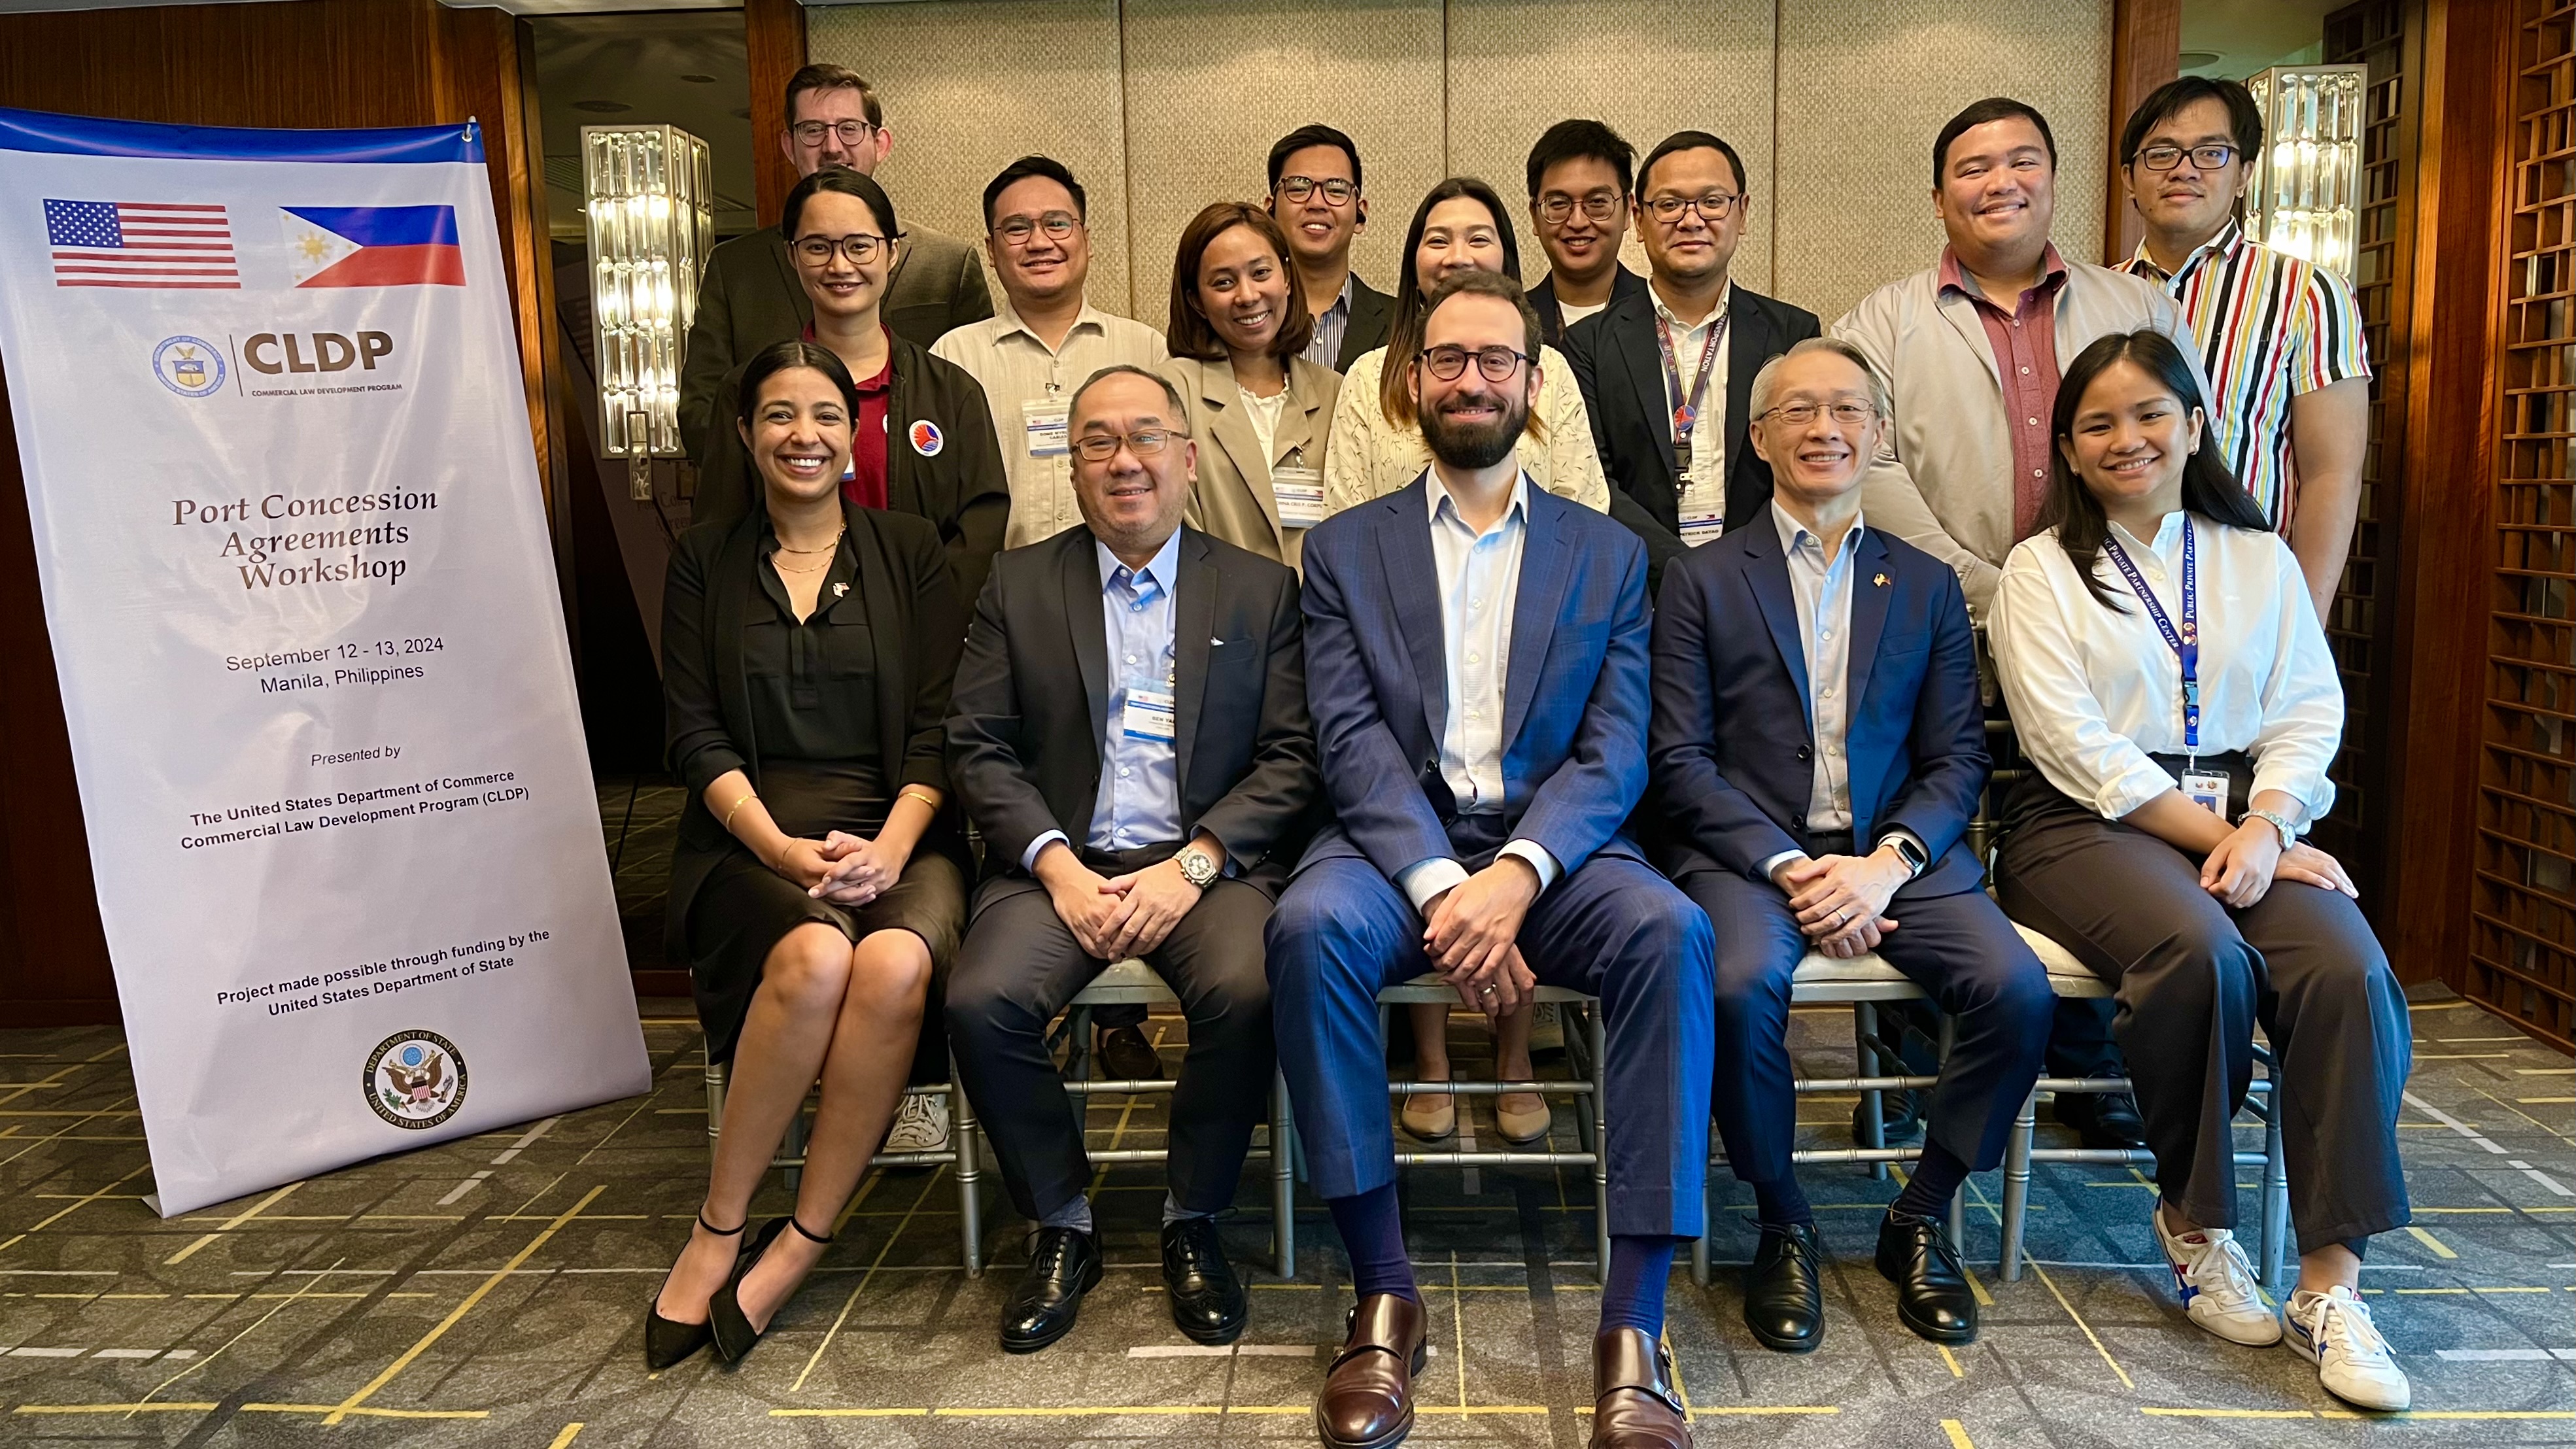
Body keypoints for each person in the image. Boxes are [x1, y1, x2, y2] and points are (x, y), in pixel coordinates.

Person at [1269, 269, 1714, 1449]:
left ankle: (1634, 1325)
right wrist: (1438, 884)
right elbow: (1349, 742)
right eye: (1448, 359)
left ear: (1530, 384)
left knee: (1672, 932)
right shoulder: (1343, 550)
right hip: (1391, 846)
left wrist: (1511, 877)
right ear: (1410, 384)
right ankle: (1383, 1295)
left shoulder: (1607, 554)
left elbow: (1617, 750)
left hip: (1555, 854)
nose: (1472, 379)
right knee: (1305, 930)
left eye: (1496, 361)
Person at [1991, 330, 2411, 1412]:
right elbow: (2068, 741)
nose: (2124, 438)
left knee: (2346, 972)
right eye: (2095, 424)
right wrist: (2214, 834)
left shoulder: (2254, 555)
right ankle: (2194, 1224)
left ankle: (2331, 1284)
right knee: (2199, 950)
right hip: (2082, 824)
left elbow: (2305, 708)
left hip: (2244, 819)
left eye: (2145, 415)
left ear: (2190, 427)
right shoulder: (2038, 570)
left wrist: (2268, 825)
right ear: (2067, 451)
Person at [1649, 337, 2050, 1352]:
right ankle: (1780, 1221)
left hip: (1898, 858)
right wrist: (1789, 865)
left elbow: (1957, 758)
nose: (1822, 429)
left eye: (1844, 411)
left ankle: (1917, 1213)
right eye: (1796, 412)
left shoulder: (1924, 586)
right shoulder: (1697, 581)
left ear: (1875, 434)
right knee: (1736, 989)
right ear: (1757, 436)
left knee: (2014, 989)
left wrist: (1885, 864)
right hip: (1750, 857)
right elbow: (1678, 759)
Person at [1836, 95, 2204, 1149]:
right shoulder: (1881, 321)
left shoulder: (2136, 310)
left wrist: (2091, 606)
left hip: (2122, 637)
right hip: (1944, 621)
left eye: (2020, 162)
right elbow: (1871, 472)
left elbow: (2176, 454)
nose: (1997, 182)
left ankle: (2093, 1055)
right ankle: (1927, 1053)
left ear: (2053, 175)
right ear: (1937, 191)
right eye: (1970, 168)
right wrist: (2005, 595)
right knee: (1935, 810)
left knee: (2097, 814)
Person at [944, 365, 1320, 1355]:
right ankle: (1061, 1221)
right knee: (981, 1004)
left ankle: (1191, 1218)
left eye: (1145, 437)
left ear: (1187, 461)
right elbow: (977, 746)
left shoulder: (1259, 590)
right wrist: (1057, 866)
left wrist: (1194, 864)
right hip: (1057, 860)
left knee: (1246, 990)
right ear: (1072, 469)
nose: (1124, 461)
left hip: (1202, 865)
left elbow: (1293, 757)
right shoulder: (1018, 584)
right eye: (1097, 442)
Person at [647, 339, 970, 1369]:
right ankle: (721, 1223)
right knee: (818, 953)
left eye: (826, 415)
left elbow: (938, 729)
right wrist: (782, 849)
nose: (805, 435)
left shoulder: (912, 549)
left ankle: (805, 1235)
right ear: (746, 435)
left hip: (900, 832)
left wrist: (888, 848)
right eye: (779, 415)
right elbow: (693, 733)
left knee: (892, 959)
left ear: (855, 433)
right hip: (749, 842)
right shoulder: (703, 556)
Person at [2114, 76, 2370, 623]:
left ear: (2244, 174)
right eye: (2160, 154)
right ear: (2128, 180)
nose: (2183, 169)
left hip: (2243, 594)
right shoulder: (2092, 294)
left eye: (2210, 152)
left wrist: (2303, 624)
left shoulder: (2307, 292)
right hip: (2112, 592)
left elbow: (2331, 474)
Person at [695, 169, 1009, 611]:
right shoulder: (746, 390)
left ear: (891, 253)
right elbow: (721, 530)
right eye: (817, 247)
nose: (839, 266)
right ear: (792, 256)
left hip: (919, 632)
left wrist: (923, 615)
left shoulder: (950, 391)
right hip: (784, 633)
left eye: (859, 246)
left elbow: (980, 525)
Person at [679, 63, 991, 464]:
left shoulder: (948, 265)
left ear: (880, 143)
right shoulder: (735, 267)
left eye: (849, 128)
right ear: (789, 146)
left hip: (915, 503)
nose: (832, 147)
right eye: (813, 130)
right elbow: (700, 415)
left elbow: (975, 408)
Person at [1564, 129, 1821, 592]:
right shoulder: (1587, 345)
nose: (1690, 220)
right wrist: (1683, 572)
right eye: (1669, 204)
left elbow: (1804, 468)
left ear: (1741, 213)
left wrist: (1738, 569)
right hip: (1635, 592)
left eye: (1711, 201)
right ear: (1638, 221)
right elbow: (1594, 482)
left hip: (1767, 586)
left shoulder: (1792, 335)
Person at [935, 156, 1172, 553]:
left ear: (1087, 241)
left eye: (1057, 224)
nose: (1040, 242)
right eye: (1017, 228)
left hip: (1126, 587)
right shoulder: (953, 357)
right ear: (992, 251)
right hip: (996, 592)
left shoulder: (1147, 351)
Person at [1159, 201, 1342, 566]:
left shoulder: (1336, 392)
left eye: (1260, 273)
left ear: (1287, 278)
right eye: (1224, 282)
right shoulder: (1170, 391)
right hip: (1217, 612)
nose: (1247, 296)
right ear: (1196, 300)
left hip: (1321, 615)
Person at [1267, 124, 1391, 371]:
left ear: (1360, 213)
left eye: (1336, 189)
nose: (1316, 203)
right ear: (1270, 210)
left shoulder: (1405, 323)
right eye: (1299, 187)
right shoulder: (1245, 318)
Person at [1524, 118, 1646, 344]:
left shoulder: (1661, 314)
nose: (1577, 222)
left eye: (1597, 202)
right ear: (1535, 215)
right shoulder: (1511, 319)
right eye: (1559, 203)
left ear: (1628, 210)